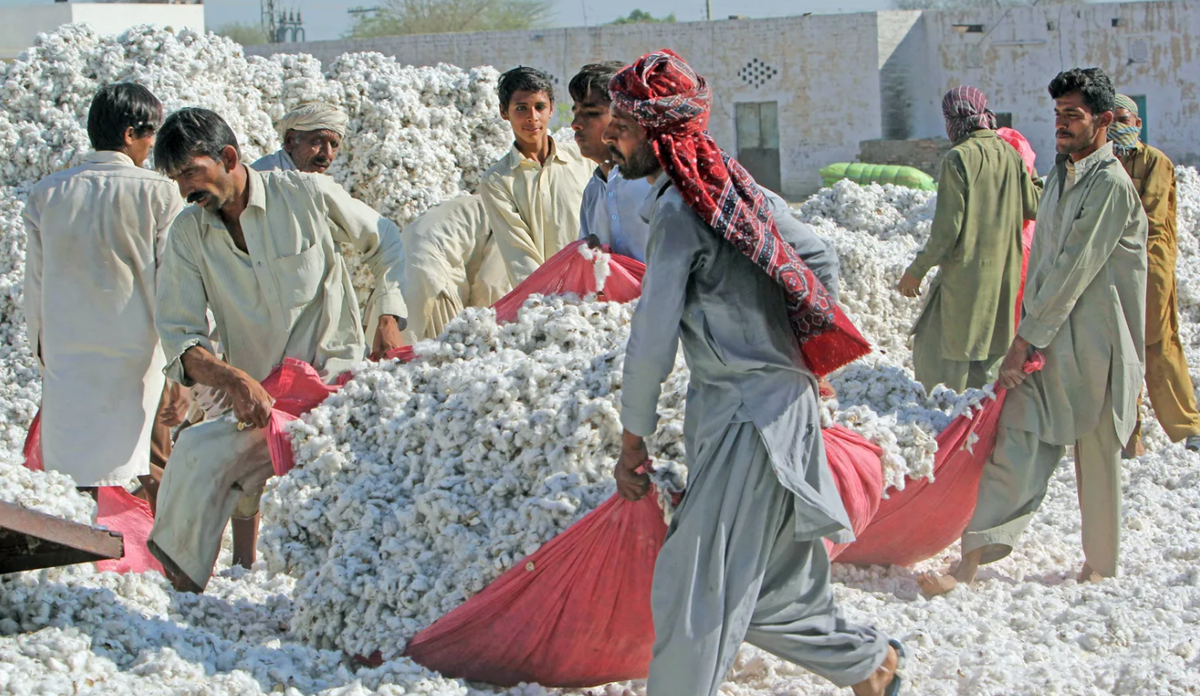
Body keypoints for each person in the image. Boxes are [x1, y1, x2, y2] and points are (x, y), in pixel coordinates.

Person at [607, 50, 903, 696]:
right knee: (773, 588)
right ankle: (870, 666)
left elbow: (651, 341)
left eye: (624, 127)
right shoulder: (735, 188)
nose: (612, 137)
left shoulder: (684, 215)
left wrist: (633, 438)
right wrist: (800, 354)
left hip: (750, 423)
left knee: (696, 588)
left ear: (657, 134)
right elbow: (817, 256)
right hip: (761, 411)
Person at [147, 108, 407, 592]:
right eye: (177, 180)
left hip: (335, 387)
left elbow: (386, 239)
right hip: (261, 399)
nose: (186, 190)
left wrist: (387, 318)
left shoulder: (306, 195)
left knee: (347, 501)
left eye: (190, 174)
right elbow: (181, 337)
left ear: (227, 157)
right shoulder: (189, 233)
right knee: (195, 453)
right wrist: (232, 379)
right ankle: (182, 595)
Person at [920, 68, 1147, 596]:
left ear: (1104, 121)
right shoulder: (1062, 178)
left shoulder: (1110, 185)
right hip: (1048, 341)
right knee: (1016, 440)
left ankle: (1102, 569)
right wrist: (1027, 334)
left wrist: (1022, 340)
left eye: (1074, 116)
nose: (1062, 126)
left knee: (1097, 462)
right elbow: (1042, 263)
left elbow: (1072, 270)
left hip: (1099, 349)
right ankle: (968, 566)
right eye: (1058, 115)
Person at [23, 83, 183, 487]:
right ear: (131, 134)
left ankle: (81, 547)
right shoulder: (160, 194)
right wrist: (180, 363)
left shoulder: (47, 194)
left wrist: (44, 355)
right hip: (139, 359)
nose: (152, 146)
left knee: (72, 477)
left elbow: (35, 289)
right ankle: (155, 550)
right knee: (149, 468)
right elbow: (174, 285)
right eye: (151, 134)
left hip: (69, 361)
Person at [897, 86, 1040, 393]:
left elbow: (947, 231)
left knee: (939, 352)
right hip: (1005, 276)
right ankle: (982, 424)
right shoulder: (1010, 154)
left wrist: (916, 271)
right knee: (989, 355)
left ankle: (950, 423)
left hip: (966, 277)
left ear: (952, 119)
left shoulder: (958, 158)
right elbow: (1034, 205)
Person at [1109, 94, 1200, 455]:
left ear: (1138, 124)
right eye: (1111, 120)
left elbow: (1150, 216)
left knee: (1158, 344)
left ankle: (1188, 427)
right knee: (1120, 350)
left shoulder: (1155, 162)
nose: (1118, 127)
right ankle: (1129, 437)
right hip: (1113, 267)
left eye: (1124, 120)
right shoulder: (1103, 163)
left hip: (1150, 266)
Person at [480, 66, 593, 285]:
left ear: (551, 109)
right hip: (547, 299)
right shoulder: (497, 181)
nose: (532, 118)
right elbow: (519, 256)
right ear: (505, 112)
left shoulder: (583, 159)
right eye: (521, 108)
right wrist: (548, 304)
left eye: (539, 107)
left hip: (596, 290)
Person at [569, 61, 652, 262]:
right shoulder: (593, 191)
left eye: (591, 113)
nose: (575, 125)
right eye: (575, 113)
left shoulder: (653, 186)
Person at [398, 194, 511, 341]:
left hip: (398, 261)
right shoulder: (511, 218)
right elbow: (492, 286)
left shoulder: (481, 202)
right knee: (447, 352)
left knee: (396, 349)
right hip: (432, 268)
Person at [251, 102, 348, 174]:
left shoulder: (316, 182)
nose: (328, 153)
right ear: (290, 141)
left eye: (334, 145)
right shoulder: (263, 177)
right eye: (317, 142)